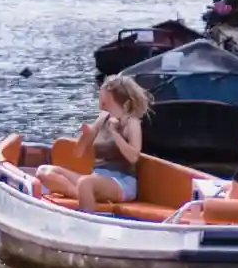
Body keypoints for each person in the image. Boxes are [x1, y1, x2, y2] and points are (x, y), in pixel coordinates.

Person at [34, 75, 153, 213]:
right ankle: (82, 195)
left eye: (105, 103)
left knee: (85, 183)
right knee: (44, 171)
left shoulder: (132, 122)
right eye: (101, 101)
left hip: (121, 182)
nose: (101, 106)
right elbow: (78, 153)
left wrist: (115, 133)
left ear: (122, 104)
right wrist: (85, 135)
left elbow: (133, 157)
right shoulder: (102, 118)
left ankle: (87, 221)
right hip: (96, 177)